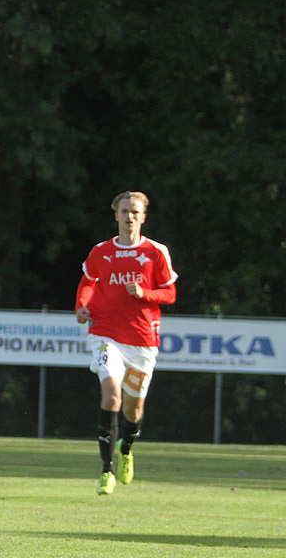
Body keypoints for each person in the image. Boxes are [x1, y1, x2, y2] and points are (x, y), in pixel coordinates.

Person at [75, 191, 178, 495]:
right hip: (105, 334)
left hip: (142, 340)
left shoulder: (156, 252)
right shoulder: (101, 251)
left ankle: (127, 447)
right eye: (124, 211)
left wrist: (145, 294)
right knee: (112, 398)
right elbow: (87, 282)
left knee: (133, 411)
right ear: (116, 215)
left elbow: (169, 294)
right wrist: (82, 306)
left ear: (143, 217)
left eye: (135, 212)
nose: (129, 216)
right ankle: (106, 471)